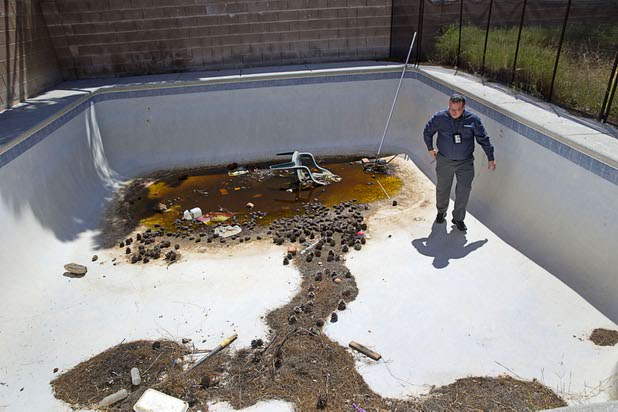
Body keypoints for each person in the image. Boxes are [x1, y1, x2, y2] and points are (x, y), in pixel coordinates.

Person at [423, 93, 496, 231]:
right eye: (451, 108)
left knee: (464, 191)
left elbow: (483, 139)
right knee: (443, 188)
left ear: (464, 108)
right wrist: (430, 148)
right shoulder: (440, 117)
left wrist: (490, 157)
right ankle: (441, 211)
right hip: (445, 160)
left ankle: (458, 218)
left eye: (457, 110)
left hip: (465, 163)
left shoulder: (473, 120)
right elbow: (427, 131)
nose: (453, 112)